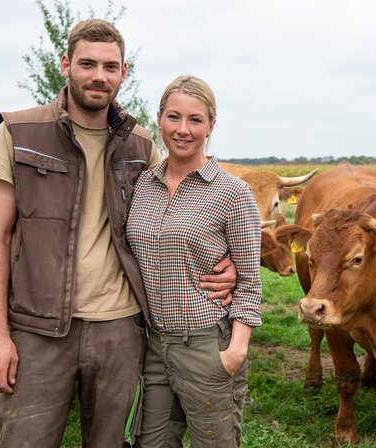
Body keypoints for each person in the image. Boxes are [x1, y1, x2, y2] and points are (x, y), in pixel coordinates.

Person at [0, 19, 237, 447]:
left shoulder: (141, 146)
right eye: (88, 64)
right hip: (37, 330)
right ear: (66, 64)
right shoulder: (18, 133)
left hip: (119, 329)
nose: (99, 76)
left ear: (123, 71)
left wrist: (221, 265)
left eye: (110, 66)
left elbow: (177, 219)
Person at [127, 75, 262, 448]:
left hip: (207, 345)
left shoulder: (232, 193)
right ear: (159, 119)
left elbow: (250, 281)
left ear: (211, 126)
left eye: (195, 120)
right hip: (154, 346)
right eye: (174, 117)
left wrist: (235, 352)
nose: (182, 130)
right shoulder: (143, 185)